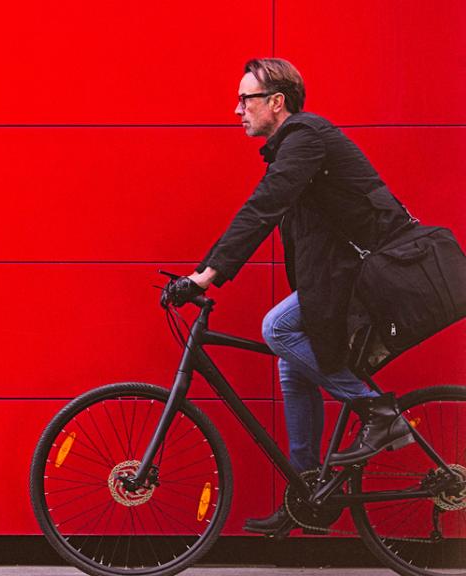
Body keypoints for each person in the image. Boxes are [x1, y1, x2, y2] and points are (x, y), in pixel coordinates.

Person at [165, 58, 415, 536]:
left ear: (276, 103)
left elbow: (262, 207)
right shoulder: (292, 150)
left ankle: (378, 412)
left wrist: (204, 276)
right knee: (290, 362)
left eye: (245, 99)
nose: (236, 109)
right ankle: (309, 493)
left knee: (277, 328)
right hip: (348, 275)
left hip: (380, 271)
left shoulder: (306, 138)